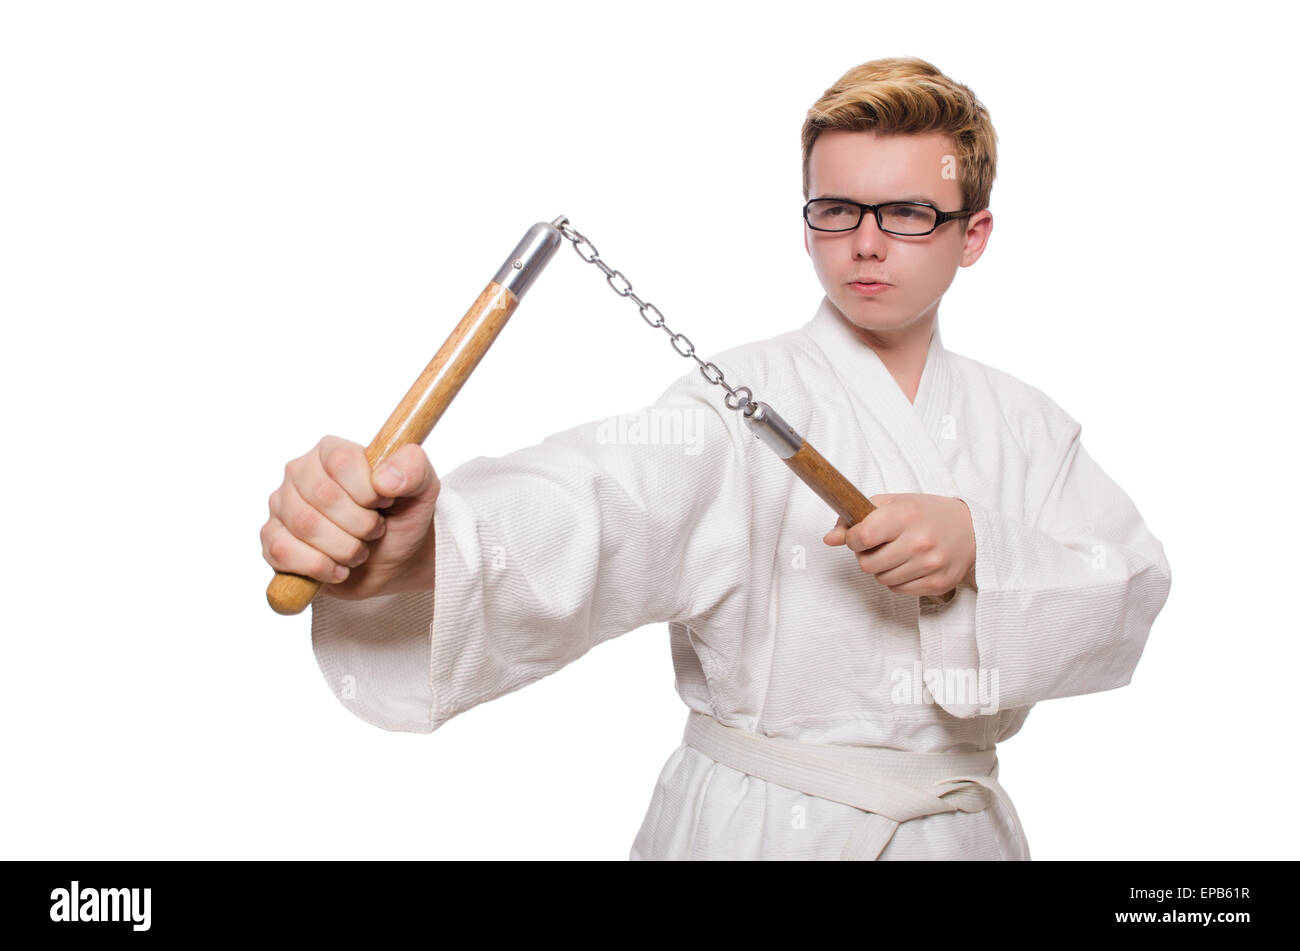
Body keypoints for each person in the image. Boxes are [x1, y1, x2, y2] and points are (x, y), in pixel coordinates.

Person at [259, 56, 1172, 860]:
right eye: (837, 208)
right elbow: (609, 499)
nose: (864, 241)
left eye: (906, 213)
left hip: (957, 836)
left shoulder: (1027, 426)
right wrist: (426, 552)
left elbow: (1127, 583)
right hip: (757, 828)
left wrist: (978, 545)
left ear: (972, 235)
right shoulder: (738, 400)